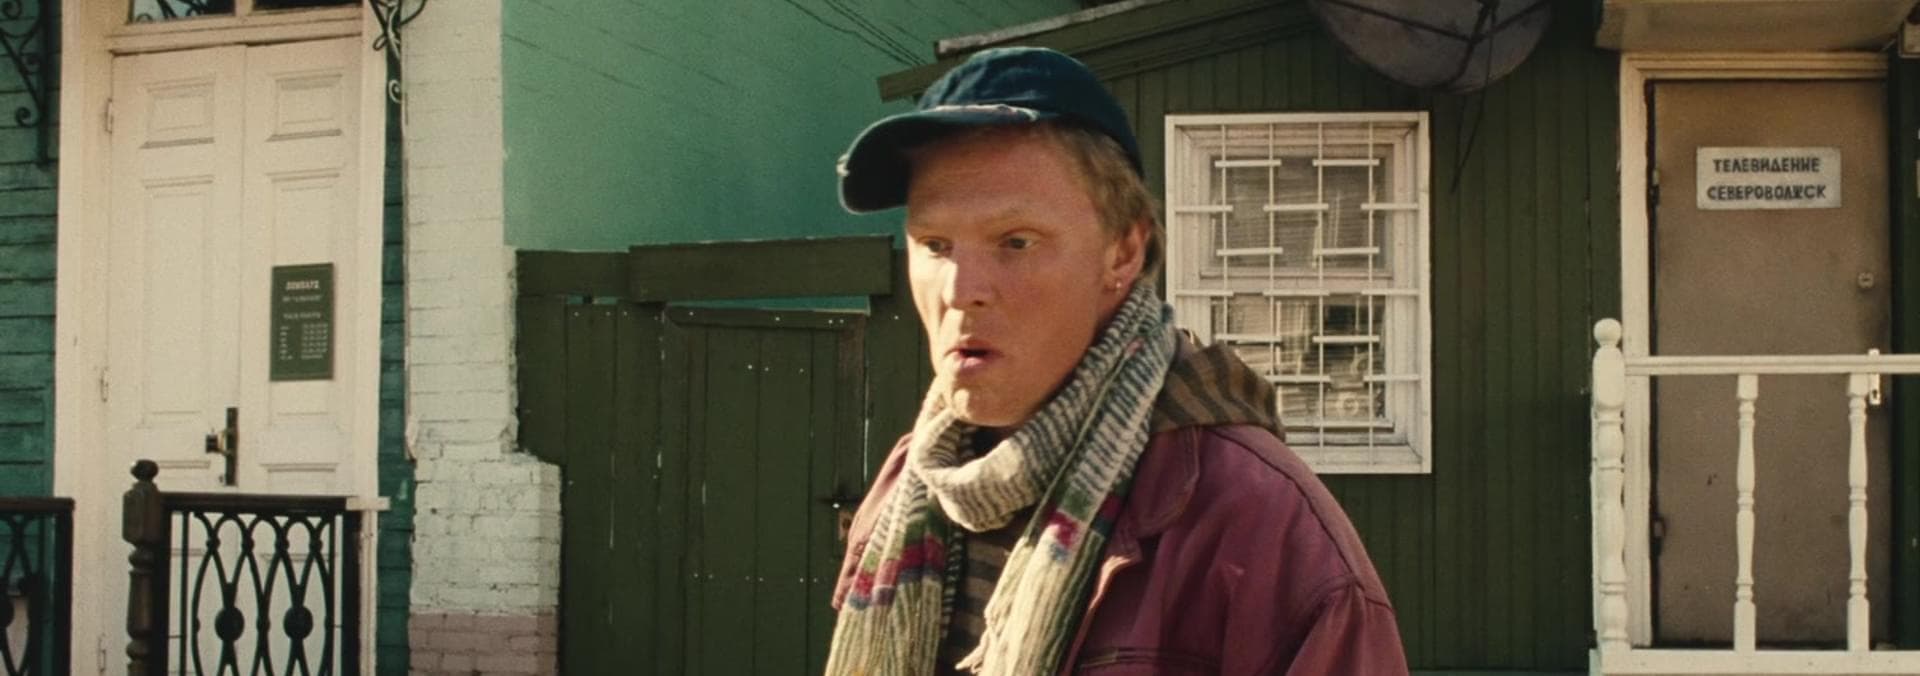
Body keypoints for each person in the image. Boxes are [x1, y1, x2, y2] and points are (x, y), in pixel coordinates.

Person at [825, 46, 1408, 675]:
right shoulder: (911, 485)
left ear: (1123, 253)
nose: (962, 289)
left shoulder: (1262, 530)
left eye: (1016, 241)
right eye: (935, 245)